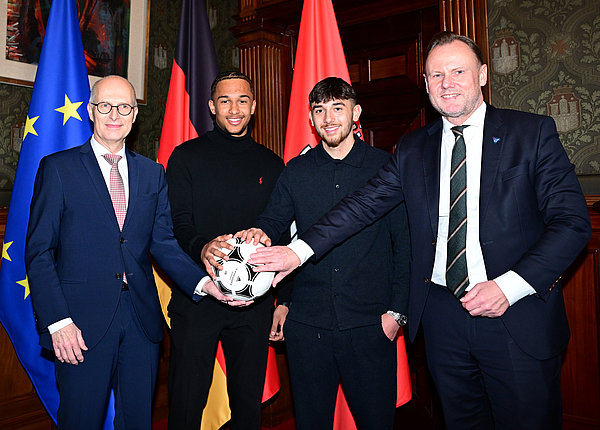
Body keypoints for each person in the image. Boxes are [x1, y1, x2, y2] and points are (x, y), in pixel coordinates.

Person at [250, 32, 592, 429]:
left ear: (482, 75)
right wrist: (297, 251)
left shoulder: (531, 133)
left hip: (516, 313)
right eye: (435, 75)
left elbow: (572, 224)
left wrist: (509, 286)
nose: (447, 83)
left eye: (458, 71)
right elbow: (362, 206)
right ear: (426, 84)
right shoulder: (412, 149)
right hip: (442, 316)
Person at [25, 75, 240, 430]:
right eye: (105, 106)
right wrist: (58, 322)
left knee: (138, 420)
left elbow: (164, 244)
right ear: (91, 112)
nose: (114, 114)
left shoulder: (152, 173)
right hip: (79, 325)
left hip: (141, 321)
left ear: (134, 115)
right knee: (80, 420)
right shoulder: (58, 169)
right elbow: (39, 252)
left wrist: (205, 284)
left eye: (124, 106)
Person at [237, 77, 410, 429]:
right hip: (307, 327)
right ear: (311, 120)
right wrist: (259, 233)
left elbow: (404, 246)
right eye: (320, 110)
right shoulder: (295, 171)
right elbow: (274, 223)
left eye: (338, 108)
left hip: (370, 326)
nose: (329, 118)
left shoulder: (385, 168)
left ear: (355, 113)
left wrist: (396, 315)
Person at [165, 71, 286, 430]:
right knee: (187, 400)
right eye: (225, 101)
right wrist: (202, 248)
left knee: (247, 404)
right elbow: (177, 224)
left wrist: (285, 301)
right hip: (198, 298)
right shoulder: (185, 157)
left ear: (254, 107)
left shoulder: (272, 164)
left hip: (255, 303)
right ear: (211, 107)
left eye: (242, 100)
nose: (234, 109)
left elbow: (284, 233)